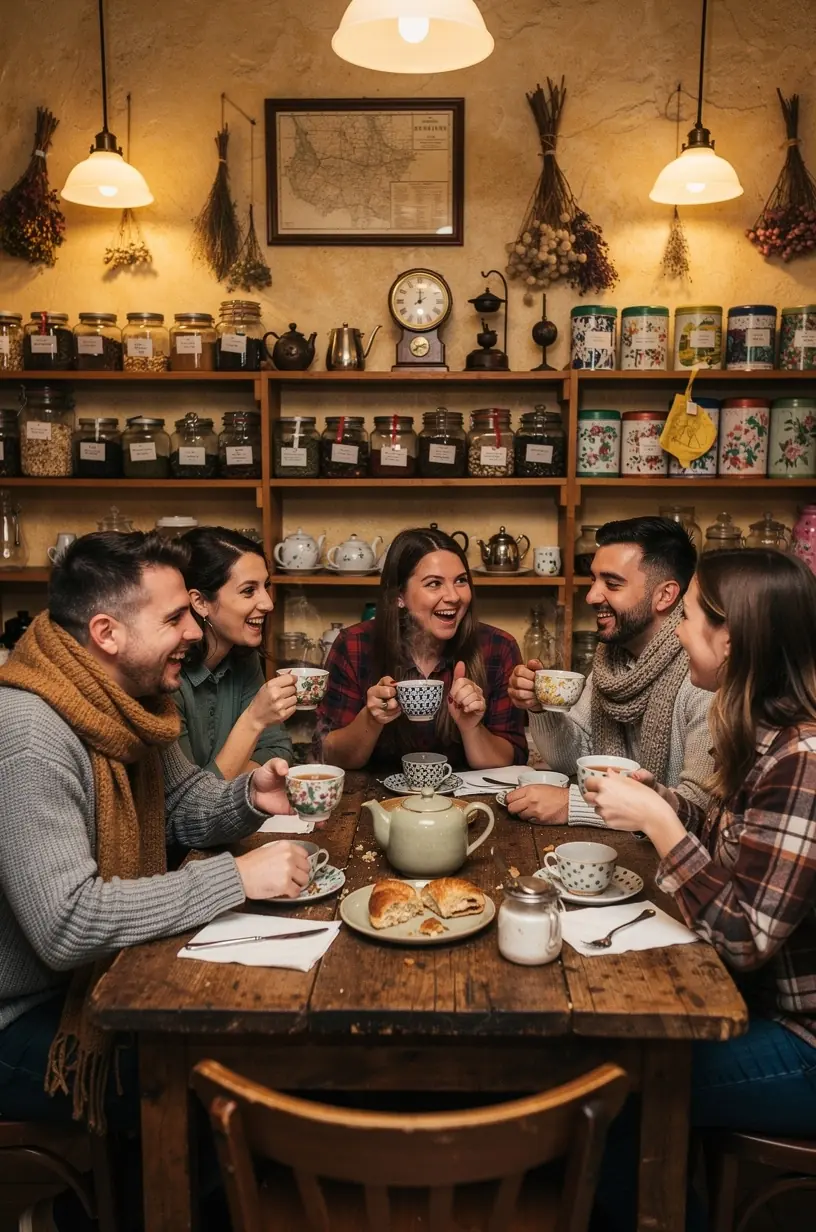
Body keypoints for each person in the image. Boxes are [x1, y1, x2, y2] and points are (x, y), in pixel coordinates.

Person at [0, 531, 312, 1229]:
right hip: (20, 1018)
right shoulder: (30, 734)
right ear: (106, 632)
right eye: (175, 618)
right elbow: (66, 924)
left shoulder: (123, 703)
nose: (194, 632)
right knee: (209, 1086)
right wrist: (236, 877)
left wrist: (249, 798)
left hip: (88, 988)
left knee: (232, 1062)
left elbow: (181, 807)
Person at [586, 548, 816, 1229]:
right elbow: (733, 848)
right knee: (614, 1058)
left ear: (732, 638)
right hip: (761, 1008)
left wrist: (658, 825)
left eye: (687, 617)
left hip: (803, 1042)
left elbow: (745, 938)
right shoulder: (764, 733)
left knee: (614, 1089)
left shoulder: (802, 760)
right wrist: (666, 802)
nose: (680, 634)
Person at [506, 516, 712, 825]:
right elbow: (567, 759)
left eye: (612, 584)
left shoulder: (702, 676)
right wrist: (541, 708)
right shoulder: (611, 661)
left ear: (665, 595)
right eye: (593, 580)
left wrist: (574, 804)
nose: (591, 596)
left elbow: (698, 810)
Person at [318, 526, 526, 770]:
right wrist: (371, 719)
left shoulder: (498, 648)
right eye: (434, 584)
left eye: (460, 581)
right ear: (399, 596)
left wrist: (472, 728)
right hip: (373, 801)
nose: (453, 597)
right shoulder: (354, 645)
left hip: (469, 802)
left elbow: (507, 762)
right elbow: (331, 758)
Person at [177, 526, 295, 778]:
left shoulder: (243, 656)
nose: (268, 603)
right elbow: (186, 805)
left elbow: (277, 749)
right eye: (248, 591)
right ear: (200, 602)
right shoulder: (168, 677)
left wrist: (228, 783)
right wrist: (254, 719)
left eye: (266, 586)